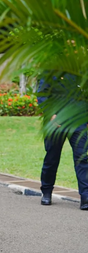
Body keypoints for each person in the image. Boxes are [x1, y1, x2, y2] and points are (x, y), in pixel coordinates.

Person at [37, 76, 88, 209]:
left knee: (82, 158)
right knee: (52, 158)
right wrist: (51, 114)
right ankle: (46, 192)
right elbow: (42, 94)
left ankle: (86, 197)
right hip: (56, 121)